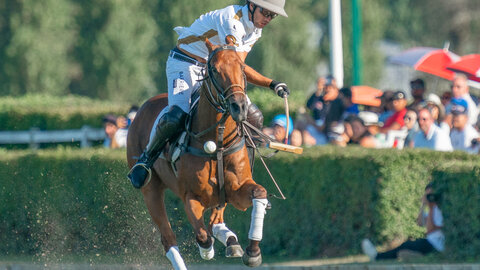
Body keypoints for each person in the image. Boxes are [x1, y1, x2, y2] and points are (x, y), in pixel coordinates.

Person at [128, 0, 290, 188]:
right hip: (185, 63)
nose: (268, 19)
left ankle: (243, 173)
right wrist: (271, 83)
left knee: (253, 116)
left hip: (216, 68)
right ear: (251, 6)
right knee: (177, 114)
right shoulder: (232, 21)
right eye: (266, 13)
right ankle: (146, 160)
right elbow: (237, 63)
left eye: (273, 15)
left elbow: (237, 68)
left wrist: (273, 85)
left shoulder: (255, 29)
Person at [362, 182, 445, 261]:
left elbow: (430, 230)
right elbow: (420, 223)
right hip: (430, 242)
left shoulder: (438, 210)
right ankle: (380, 256)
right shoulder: (433, 209)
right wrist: (423, 205)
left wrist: (431, 207)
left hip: (435, 245)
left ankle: (378, 257)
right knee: (406, 246)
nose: (429, 197)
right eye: (427, 195)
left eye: (431, 194)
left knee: (406, 245)